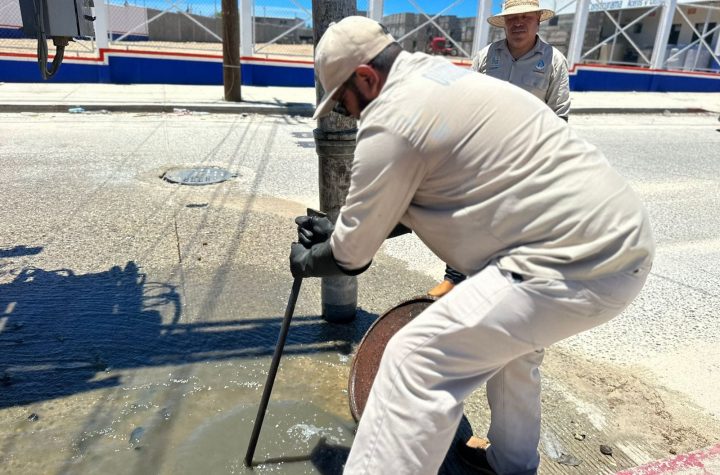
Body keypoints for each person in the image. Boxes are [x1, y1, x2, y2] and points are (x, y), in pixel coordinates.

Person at [291, 16, 654, 475]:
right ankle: (510, 467)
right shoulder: (440, 77)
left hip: (568, 260)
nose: (350, 116)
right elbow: (415, 201)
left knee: (413, 360)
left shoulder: (390, 120)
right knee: (514, 351)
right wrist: (338, 227)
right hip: (619, 238)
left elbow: (350, 256)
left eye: (343, 105)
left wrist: (308, 260)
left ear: (365, 78)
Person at [428, 0, 571, 299]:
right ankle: (453, 278)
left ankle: (509, 287)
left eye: (525, 17)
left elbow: (559, 116)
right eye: (512, 18)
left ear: (538, 20)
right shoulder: (486, 57)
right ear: (504, 23)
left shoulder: (553, 60)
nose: (518, 24)